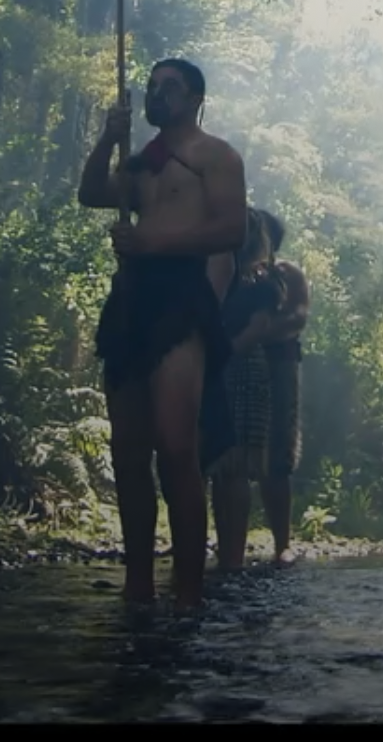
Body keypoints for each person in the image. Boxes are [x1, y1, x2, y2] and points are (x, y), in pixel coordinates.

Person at [78, 57, 249, 609]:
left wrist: (152, 244)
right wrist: (107, 138)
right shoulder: (140, 163)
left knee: (176, 447)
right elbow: (89, 193)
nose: (156, 95)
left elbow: (231, 228)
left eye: (168, 87)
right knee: (128, 451)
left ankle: (190, 589)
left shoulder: (215, 157)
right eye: (151, 87)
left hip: (181, 296)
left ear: (195, 95)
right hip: (132, 298)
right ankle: (138, 583)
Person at [211, 208, 286, 570]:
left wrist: (222, 352)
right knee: (219, 464)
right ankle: (225, 552)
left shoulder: (264, 284)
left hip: (241, 368)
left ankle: (232, 556)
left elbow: (258, 329)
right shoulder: (221, 277)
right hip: (220, 367)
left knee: (236, 465)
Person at [259, 216, 314, 564]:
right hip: (234, 363)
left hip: (279, 364)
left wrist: (256, 332)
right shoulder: (229, 268)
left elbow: (298, 316)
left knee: (278, 453)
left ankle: (282, 543)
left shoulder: (287, 273)